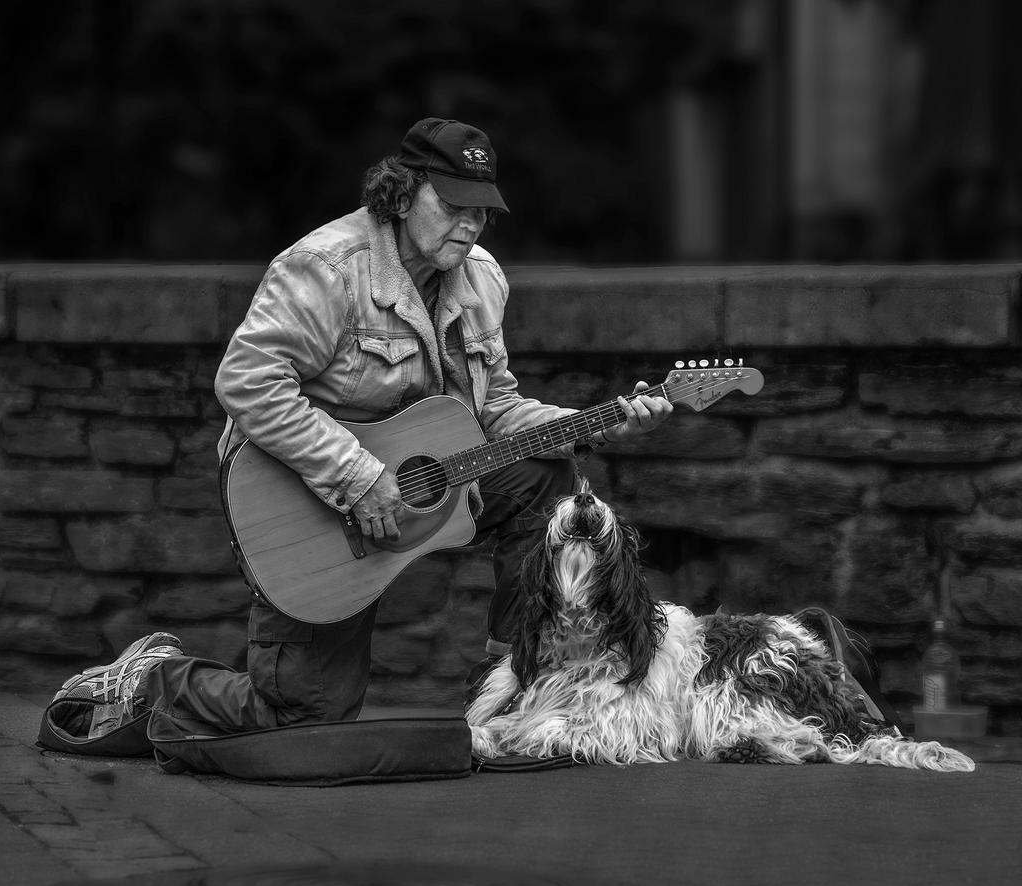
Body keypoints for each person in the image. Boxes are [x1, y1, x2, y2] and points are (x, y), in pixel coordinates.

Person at [49, 117, 672, 744]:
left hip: (427, 485)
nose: (471, 223)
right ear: (401, 194)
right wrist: (357, 475)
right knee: (302, 713)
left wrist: (599, 422)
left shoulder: (483, 278)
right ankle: (153, 678)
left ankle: (513, 683)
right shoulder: (324, 268)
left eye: (482, 210)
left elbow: (494, 415)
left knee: (546, 477)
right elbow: (246, 383)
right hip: (304, 498)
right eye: (454, 204)